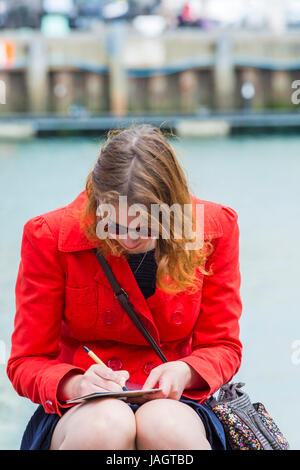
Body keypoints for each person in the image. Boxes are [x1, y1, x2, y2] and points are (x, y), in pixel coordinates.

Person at [7, 125, 242, 450]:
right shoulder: (49, 236)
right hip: (80, 408)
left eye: (145, 227)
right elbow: (26, 361)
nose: (127, 239)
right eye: (113, 225)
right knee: (105, 426)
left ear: (171, 213)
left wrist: (185, 371)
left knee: (166, 426)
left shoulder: (215, 229)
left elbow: (224, 346)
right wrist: (75, 384)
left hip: (178, 402)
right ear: (96, 201)